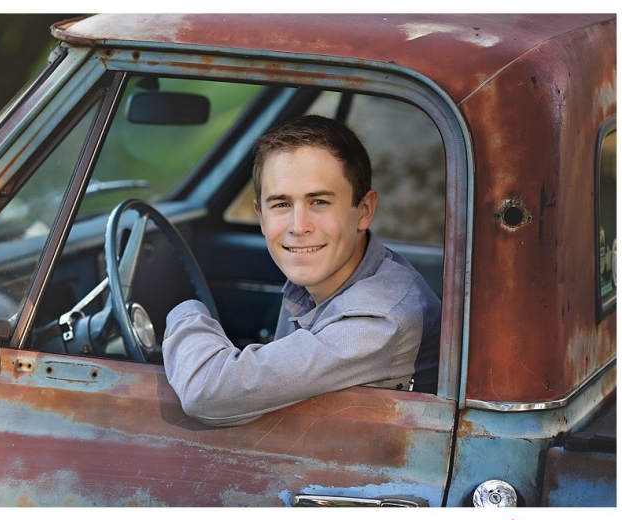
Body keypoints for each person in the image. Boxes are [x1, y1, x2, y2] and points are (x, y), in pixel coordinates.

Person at [162, 114, 441, 426]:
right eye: (281, 204)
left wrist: (181, 312)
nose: (299, 227)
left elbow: (207, 391)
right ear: (261, 217)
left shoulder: (380, 320)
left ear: (364, 211)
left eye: (319, 201)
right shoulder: (320, 277)